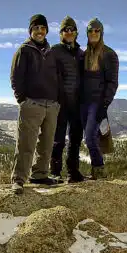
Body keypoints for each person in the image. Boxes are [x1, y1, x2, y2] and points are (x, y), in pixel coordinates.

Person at [9, 13, 60, 194]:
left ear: (46, 31)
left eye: (43, 28)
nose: (40, 31)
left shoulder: (51, 52)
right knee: (26, 144)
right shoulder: (24, 50)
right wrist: (22, 100)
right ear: (31, 30)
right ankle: (18, 180)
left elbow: (58, 77)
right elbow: (15, 77)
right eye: (36, 28)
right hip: (32, 103)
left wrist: (57, 100)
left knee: (46, 144)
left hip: (51, 105)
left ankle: (40, 175)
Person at [79, 17, 119, 180]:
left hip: (97, 103)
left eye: (97, 30)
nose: (94, 33)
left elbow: (112, 83)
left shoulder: (109, 54)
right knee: (90, 137)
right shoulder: (85, 54)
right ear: (87, 33)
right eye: (90, 30)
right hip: (83, 102)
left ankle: (99, 170)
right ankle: (96, 173)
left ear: (101, 33)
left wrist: (104, 106)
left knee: (90, 136)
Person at [50, 16, 86, 183]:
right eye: (66, 30)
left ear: (76, 33)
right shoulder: (55, 51)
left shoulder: (81, 54)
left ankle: (73, 172)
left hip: (77, 103)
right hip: (60, 102)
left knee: (75, 139)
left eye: (72, 29)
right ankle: (55, 173)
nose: (69, 32)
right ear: (61, 33)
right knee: (58, 139)